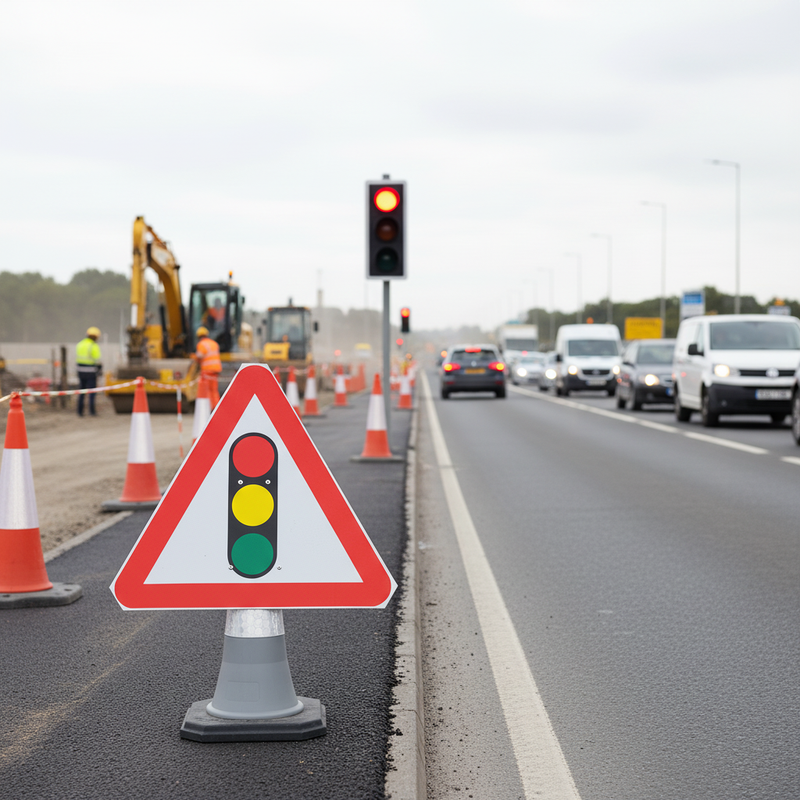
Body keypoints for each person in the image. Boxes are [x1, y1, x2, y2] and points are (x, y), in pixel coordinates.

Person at [76, 326, 102, 417]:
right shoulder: (93, 346)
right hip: (91, 372)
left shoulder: (80, 344)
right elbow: (97, 360)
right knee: (92, 392)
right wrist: (99, 370)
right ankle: (92, 411)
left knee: (82, 391)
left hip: (80, 371)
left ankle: (80, 411)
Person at [194, 326, 222, 408]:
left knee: (207, 390)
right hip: (215, 370)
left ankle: (208, 407)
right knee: (214, 390)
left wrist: (194, 358)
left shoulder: (201, 344)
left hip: (207, 370)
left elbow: (199, 356)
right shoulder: (214, 343)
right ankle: (216, 407)